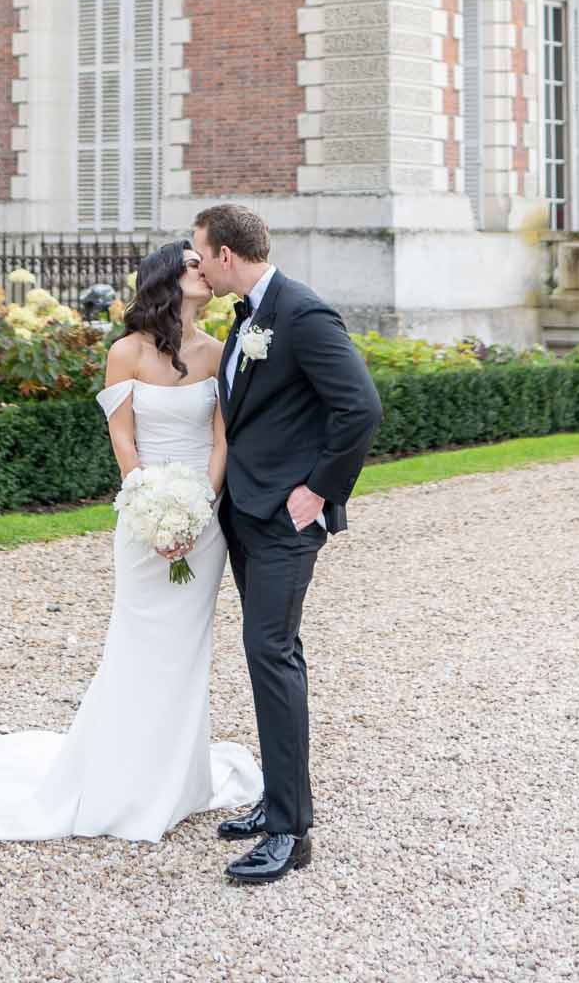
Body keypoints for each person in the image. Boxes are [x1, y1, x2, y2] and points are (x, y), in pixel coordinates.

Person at [0, 240, 260, 844]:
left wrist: (198, 512)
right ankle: (118, 774)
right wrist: (150, 509)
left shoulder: (217, 353)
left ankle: (178, 779)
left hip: (202, 519)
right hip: (144, 516)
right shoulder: (124, 352)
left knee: (189, 649)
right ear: (167, 277)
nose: (206, 271)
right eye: (193, 264)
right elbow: (124, 441)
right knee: (137, 640)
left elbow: (221, 444)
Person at [192, 203, 383, 885]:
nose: (198, 266)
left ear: (224, 254)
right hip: (247, 511)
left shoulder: (302, 314)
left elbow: (359, 407)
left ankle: (289, 833)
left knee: (271, 655)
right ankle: (275, 800)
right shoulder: (248, 315)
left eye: (199, 254)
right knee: (265, 654)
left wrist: (318, 490)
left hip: (284, 518)